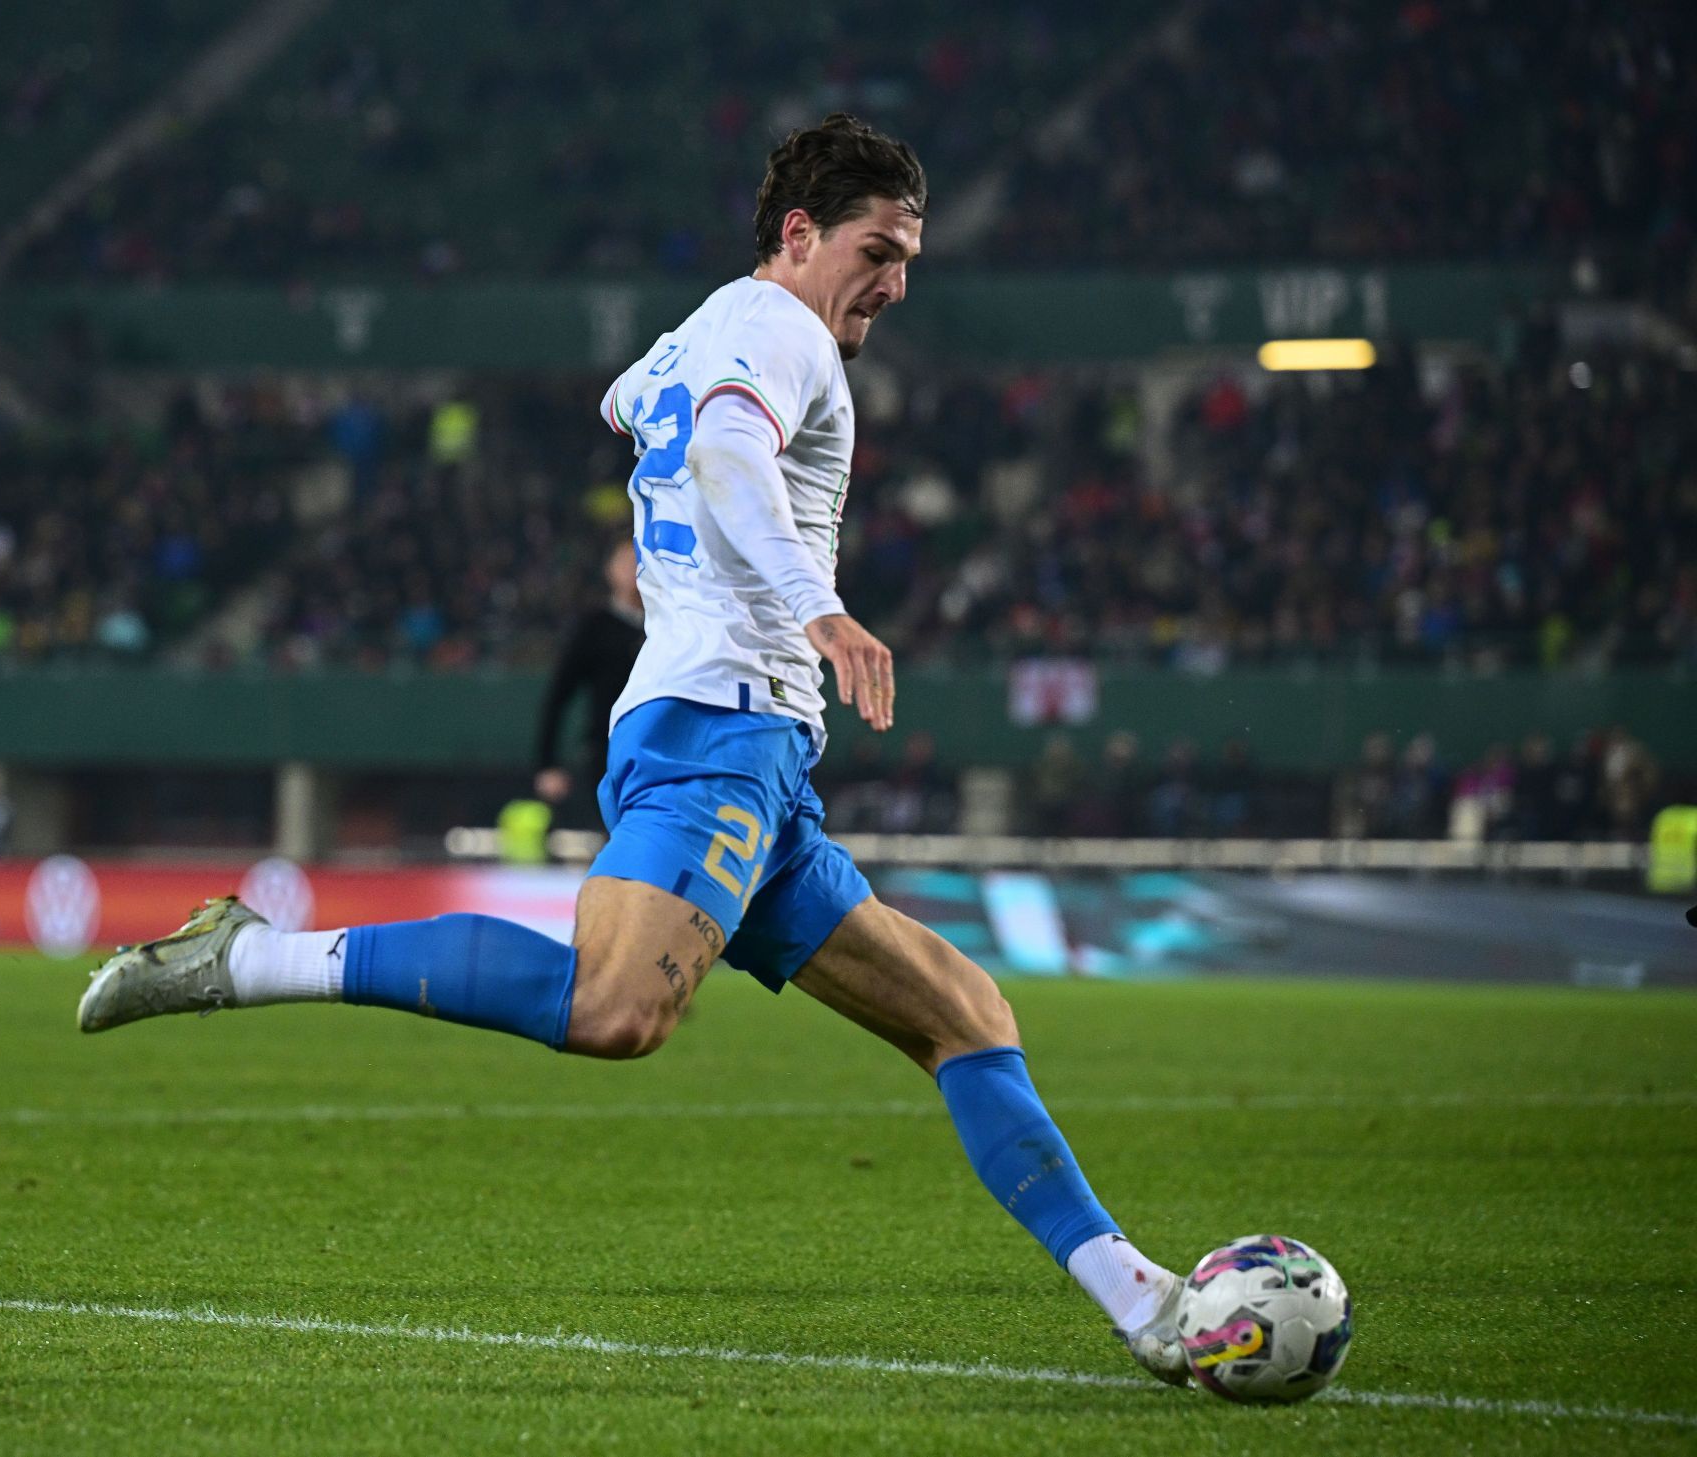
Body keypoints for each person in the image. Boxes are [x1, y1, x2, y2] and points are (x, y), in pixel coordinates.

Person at [77, 114, 1192, 1384]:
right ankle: (258, 956)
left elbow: (638, 405)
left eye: (910, 258)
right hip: (717, 727)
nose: (895, 283)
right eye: (878, 249)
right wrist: (815, 605)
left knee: (964, 1012)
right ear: (800, 234)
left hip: (755, 755)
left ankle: (1140, 1300)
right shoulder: (779, 331)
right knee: (614, 1005)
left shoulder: (710, 328)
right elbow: (723, 447)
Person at [532, 539, 645, 823]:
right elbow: (558, 697)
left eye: (641, 560)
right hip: (610, 754)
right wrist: (547, 764)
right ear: (610, 570)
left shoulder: (674, 624)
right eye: (626, 562)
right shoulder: (594, 626)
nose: (634, 569)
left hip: (667, 749)